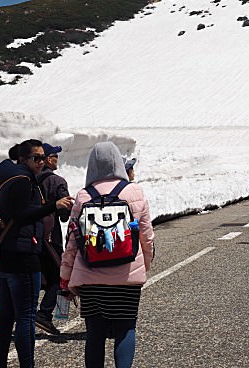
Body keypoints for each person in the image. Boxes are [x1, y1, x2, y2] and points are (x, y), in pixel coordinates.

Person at [60, 141, 154, 368]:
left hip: (91, 278)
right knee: (126, 328)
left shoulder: (83, 196)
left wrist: (65, 278)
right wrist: (145, 264)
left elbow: (72, 242)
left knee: (95, 333)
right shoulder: (135, 191)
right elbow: (146, 236)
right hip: (127, 277)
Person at [0, 139, 74, 368]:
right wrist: (53, 206)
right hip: (23, 257)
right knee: (25, 317)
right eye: (35, 158)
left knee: (6, 315)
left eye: (42, 157)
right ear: (23, 159)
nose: (41, 162)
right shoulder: (24, 181)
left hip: (4, 256)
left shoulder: (9, 179)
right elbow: (22, 215)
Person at [35, 143, 71, 336]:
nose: (57, 159)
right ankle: (45, 315)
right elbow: (64, 214)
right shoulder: (57, 182)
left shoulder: (30, 179)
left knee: (37, 276)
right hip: (50, 236)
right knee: (58, 275)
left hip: (31, 234)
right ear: (49, 159)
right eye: (55, 156)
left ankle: (28, 315)